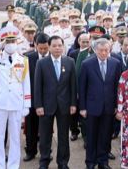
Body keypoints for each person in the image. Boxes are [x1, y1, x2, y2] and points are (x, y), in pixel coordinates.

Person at [0, 26, 31, 169]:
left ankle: (13, 165)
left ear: (17, 41)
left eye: (13, 40)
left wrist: (26, 105)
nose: (10, 43)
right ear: (3, 42)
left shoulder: (23, 60)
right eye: (7, 40)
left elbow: (26, 83)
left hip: (16, 102)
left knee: (15, 137)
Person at [34, 35, 77, 169]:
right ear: (49, 47)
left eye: (60, 45)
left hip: (64, 105)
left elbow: (73, 85)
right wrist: (38, 105)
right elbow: (37, 86)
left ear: (63, 47)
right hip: (46, 105)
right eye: (54, 46)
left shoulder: (70, 62)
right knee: (45, 136)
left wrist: (73, 104)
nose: (57, 48)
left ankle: (63, 162)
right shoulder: (41, 63)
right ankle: (44, 161)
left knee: (63, 136)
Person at [79, 38, 122, 169]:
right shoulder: (87, 64)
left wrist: (116, 105)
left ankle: (103, 161)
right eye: (101, 50)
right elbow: (82, 87)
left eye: (106, 50)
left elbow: (117, 87)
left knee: (105, 136)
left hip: (109, 107)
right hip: (92, 107)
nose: (104, 53)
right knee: (91, 136)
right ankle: (90, 162)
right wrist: (82, 107)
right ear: (95, 50)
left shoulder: (115, 63)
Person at [23, 33, 49, 162]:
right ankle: (30, 151)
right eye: (41, 48)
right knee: (30, 128)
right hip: (31, 99)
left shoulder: (53, 58)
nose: (43, 51)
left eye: (45, 48)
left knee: (46, 129)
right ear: (35, 45)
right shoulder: (27, 58)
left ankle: (46, 152)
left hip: (47, 100)